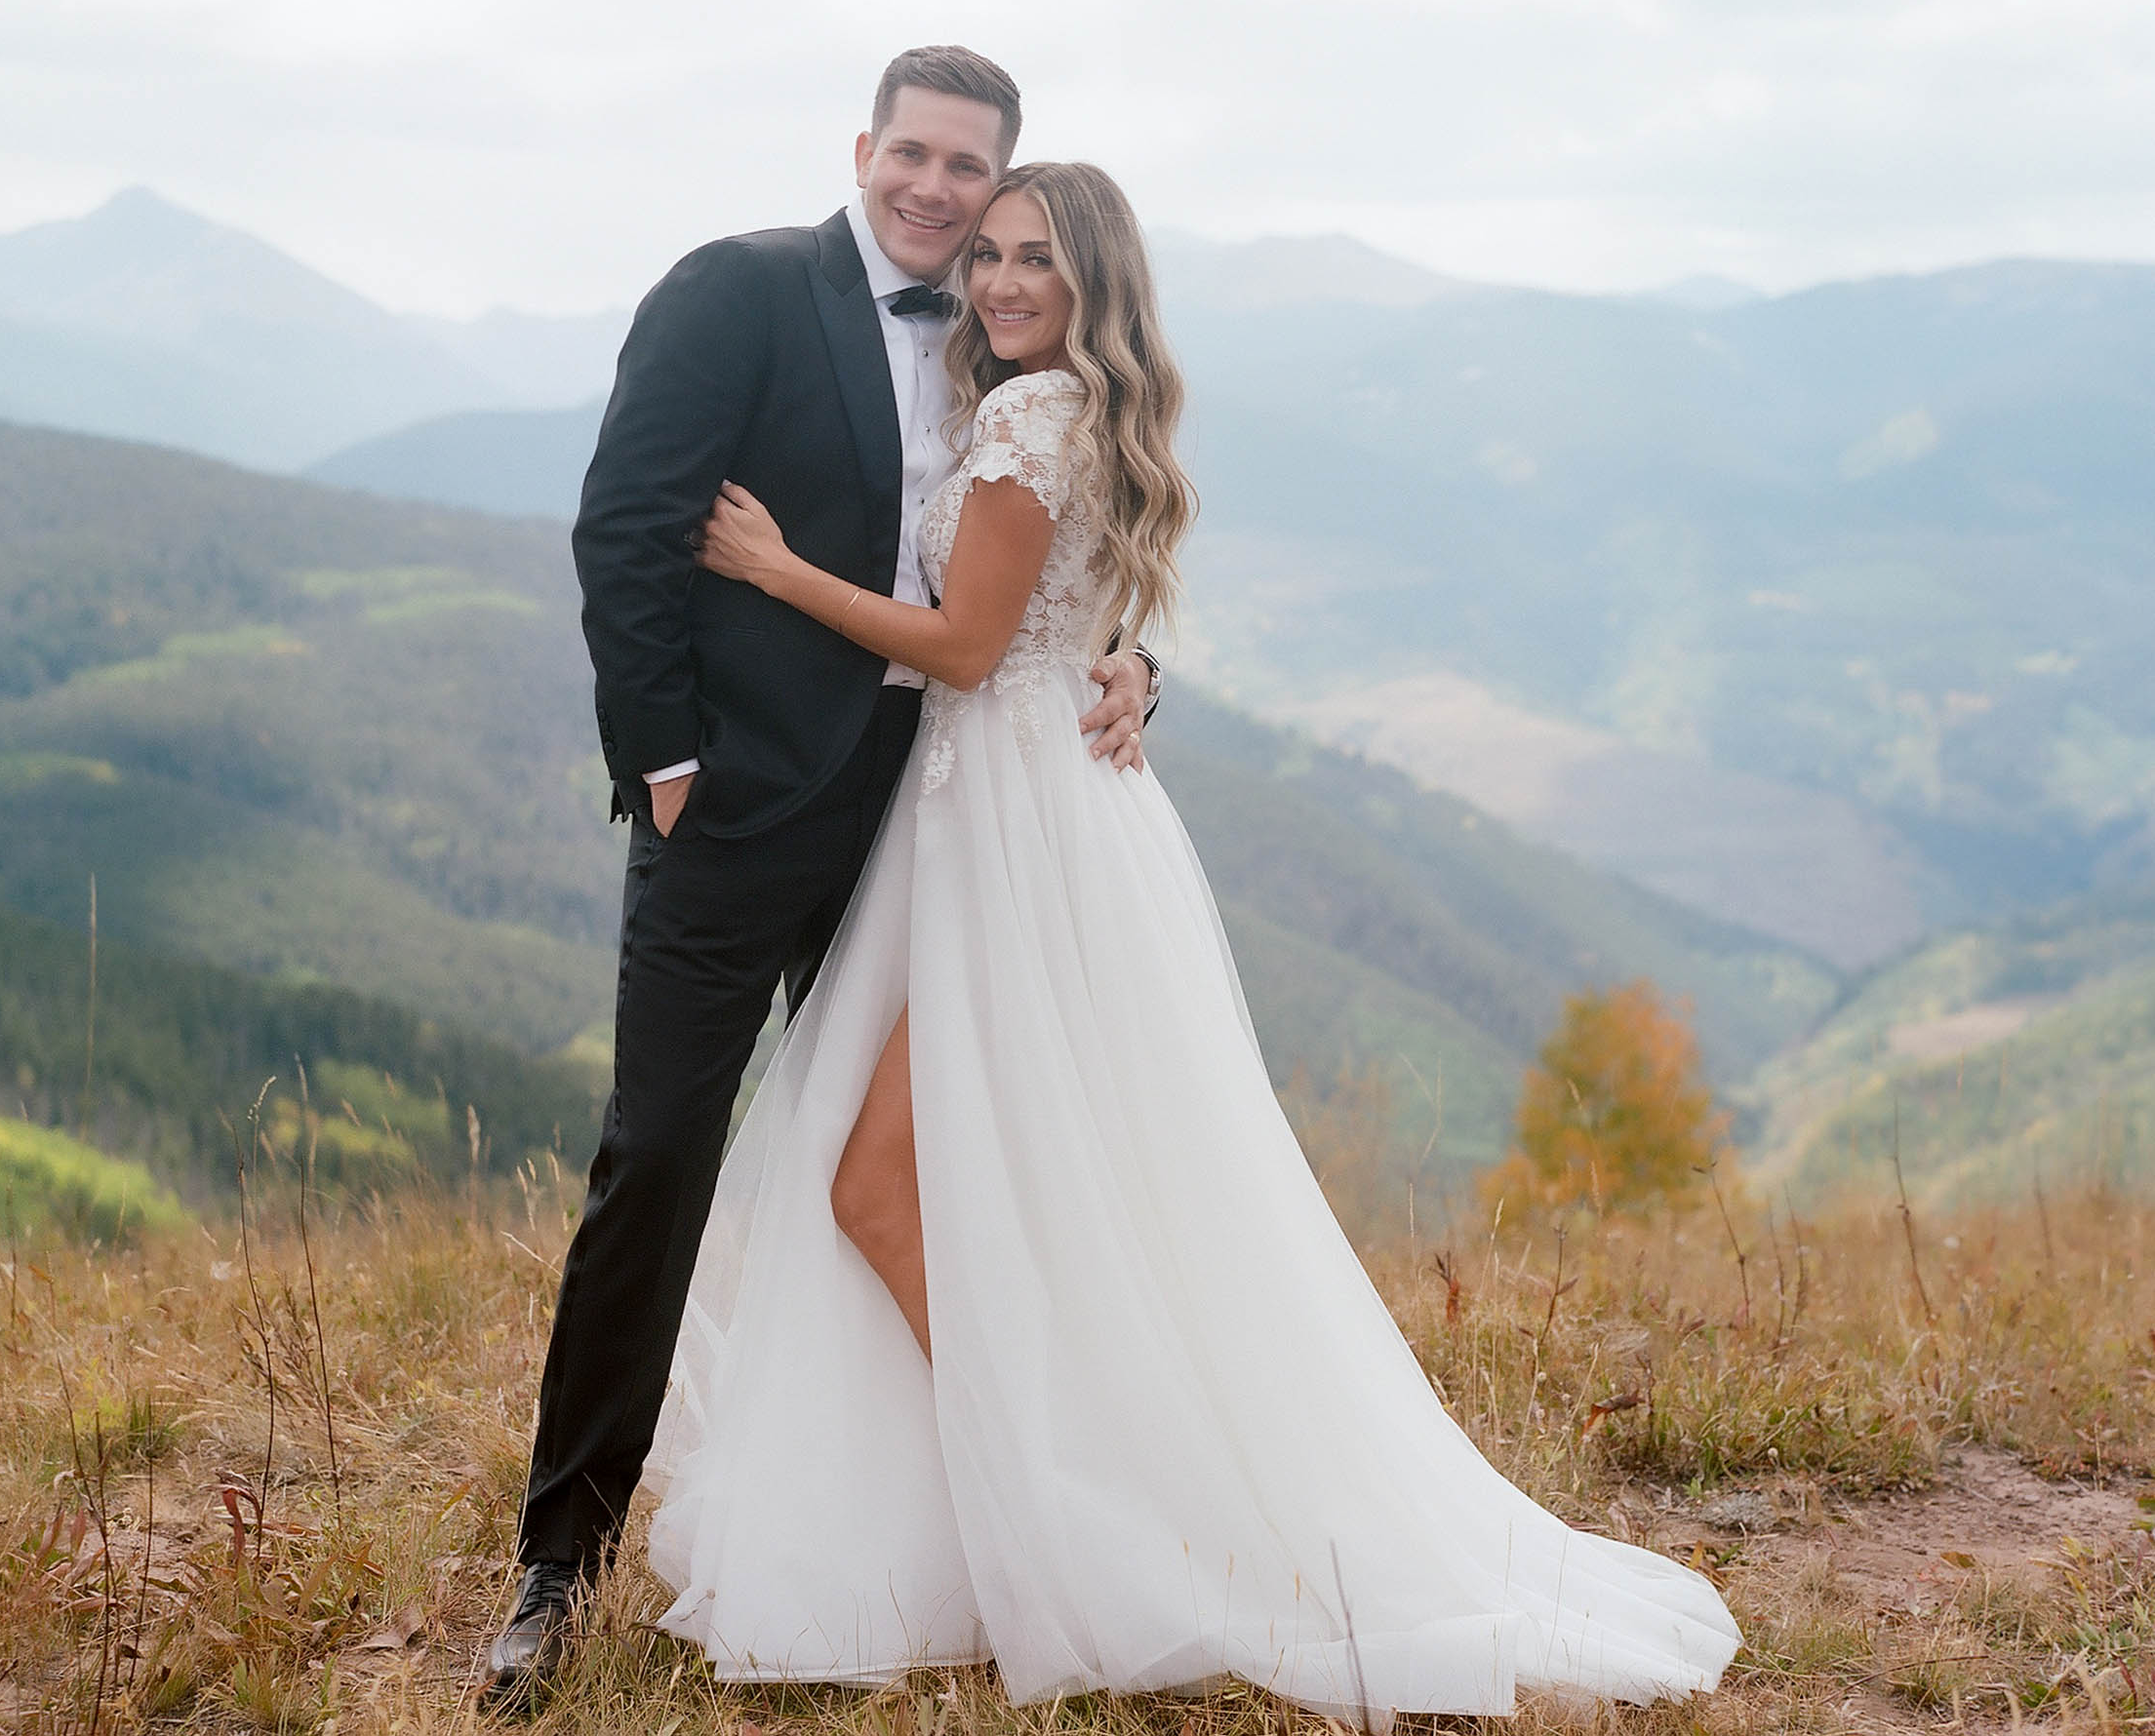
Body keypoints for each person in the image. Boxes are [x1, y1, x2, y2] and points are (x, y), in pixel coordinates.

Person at [641, 160, 1740, 1724]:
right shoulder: (1040, 405)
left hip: (1016, 836)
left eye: (1039, 259)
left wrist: (771, 572)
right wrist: (1120, 664)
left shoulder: (1033, 417)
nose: (1006, 280)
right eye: (995, 257)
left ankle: (1081, 1502)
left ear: (1095, 284)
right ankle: (1053, 1488)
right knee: (1035, 1188)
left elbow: (964, 648)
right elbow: (1054, 623)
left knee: (880, 1183)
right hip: (1010, 824)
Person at [482, 50, 1159, 1707]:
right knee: (658, 1161)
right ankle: (557, 1569)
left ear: (1008, 183)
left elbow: (1042, 573)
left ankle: (953, 1522)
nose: (940, 198)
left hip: (922, 820)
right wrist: (666, 763)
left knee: (906, 1175)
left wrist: (1139, 665)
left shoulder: (1009, 348)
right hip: (735, 815)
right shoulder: (742, 292)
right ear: (865, 150)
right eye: (916, 159)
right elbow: (626, 526)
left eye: (972, 174)